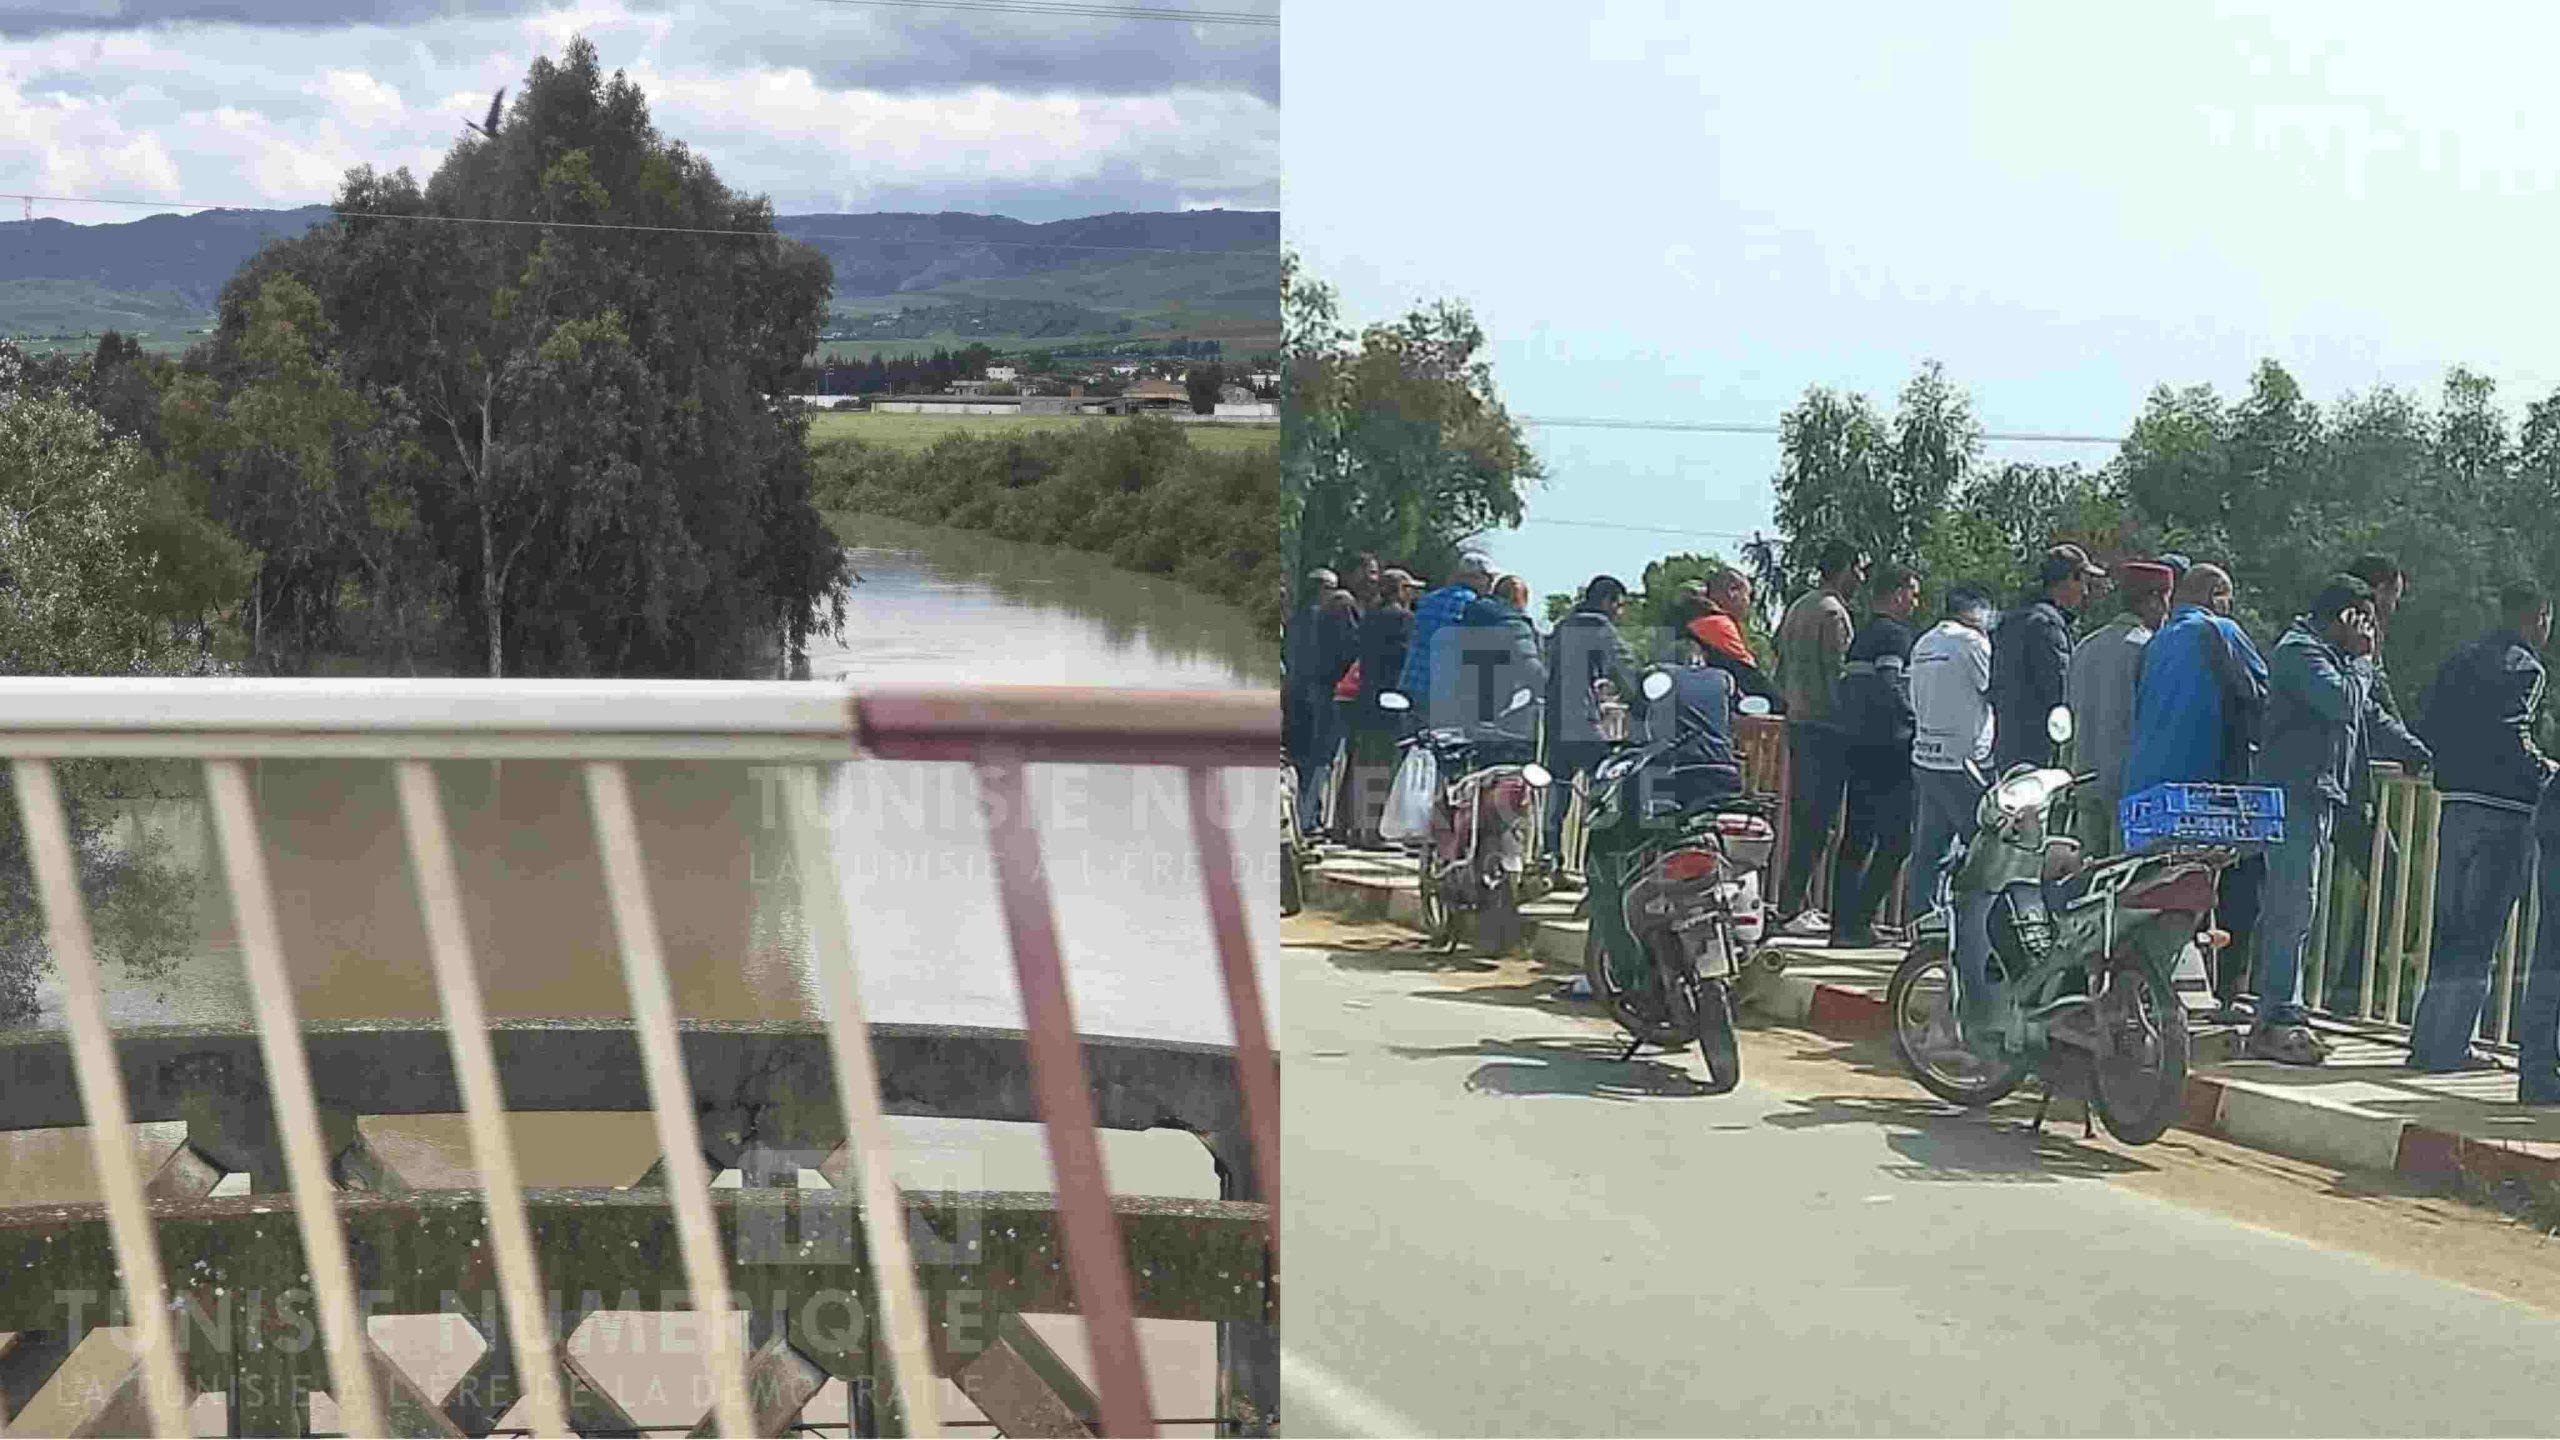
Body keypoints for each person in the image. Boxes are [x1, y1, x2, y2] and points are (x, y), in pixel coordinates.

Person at [2251, 576, 2408, 1065]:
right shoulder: (2300, 652)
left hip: (2314, 794)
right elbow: (2342, 703)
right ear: (2344, 616)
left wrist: (2419, 751)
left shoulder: (2330, 658)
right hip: (2293, 793)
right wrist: (2363, 659)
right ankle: (2278, 1017)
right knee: (2292, 905)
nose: (2373, 630)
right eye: (2366, 620)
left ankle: (2282, 1008)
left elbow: (2366, 716)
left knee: (2299, 906)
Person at [2409, 583, 2557, 1073]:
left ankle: (2426, 1041)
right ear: (2538, 617)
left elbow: (2429, 719)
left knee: (2449, 930)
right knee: (2480, 935)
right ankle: (2452, 1048)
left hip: (2456, 802)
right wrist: (2545, 771)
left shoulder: (2462, 659)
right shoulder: (2526, 668)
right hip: (2505, 810)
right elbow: (2513, 732)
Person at [2125, 563, 2268, 1021]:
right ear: (2215, 595)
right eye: (2227, 598)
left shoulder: (2157, 642)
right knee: (2241, 880)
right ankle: (2229, 992)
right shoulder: (2219, 632)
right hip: (2202, 790)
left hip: (2146, 792)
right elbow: (2263, 695)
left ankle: (2153, 990)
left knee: (2153, 892)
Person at [2325, 552, 2430, 1006]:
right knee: (2388, 872)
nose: (2395, 607)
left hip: (2340, 780)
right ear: (2379, 590)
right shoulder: (2352, 639)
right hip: (2336, 781)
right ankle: (2345, 989)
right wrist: (2410, 747)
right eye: (2395, 596)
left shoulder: (2341, 634)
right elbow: (2369, 707)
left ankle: (2338, 986)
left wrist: (2408, 743)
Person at [1771, 541, 1868, 934]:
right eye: (1858, 569)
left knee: (1804, 820)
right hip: (1827, 728)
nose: (1861, 578)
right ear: (1844, 568)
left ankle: (1793, 904)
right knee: (1819, 824)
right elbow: (1839, 675)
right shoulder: (1834, 613)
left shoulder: (1799, 607)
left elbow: (1780, 667)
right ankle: (1792, 908)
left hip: (1798, 722)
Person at [1826, 563, 1923, 948]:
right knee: (1898, 840)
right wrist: (1915, 720)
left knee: (1856, 838)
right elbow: (1890, 680)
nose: (1915, 602)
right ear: (1898, 594)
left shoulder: (1863, 636)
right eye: (1913, 593)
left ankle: (1842, 927)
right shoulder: (1894, 635)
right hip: (1891, 748)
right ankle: (1860, 920)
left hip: (1856, 745)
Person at [2064, 561, 2176, 857]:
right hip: (2131, 788)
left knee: (2087, 877)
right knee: (2126, 876)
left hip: (2085, 779)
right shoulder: (2151, 648)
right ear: (2154, 599)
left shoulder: (2085, 647)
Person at [1543, 575, 1644, 863]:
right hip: (1582, 718)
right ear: (1606, 602)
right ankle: (1600, 859)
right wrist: (1642, 702)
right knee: (1609, 781)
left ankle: (1550, 856)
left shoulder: (1563, 626)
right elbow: (1623, 670)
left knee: (1559, 788)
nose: (1619, 612)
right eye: (1618, 605)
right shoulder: (1599, 628)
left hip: (1554, 718)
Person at [1908, 585, 1996, 897]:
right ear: (1975, 611)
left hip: (1926, 757)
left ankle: (1923, 919)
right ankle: (1977, 920)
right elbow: (1993, 689)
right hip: (1966, 762)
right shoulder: (1972, 642)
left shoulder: (1924, 641)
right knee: (1985, 850)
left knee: (1929, 854)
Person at [1990, 543, 2106, 774]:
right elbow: (2062, 692)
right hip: (2039, 752)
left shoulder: (2011, 620)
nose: (2085, 592)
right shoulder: (2047, 626)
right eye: (2083, 582)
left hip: (2008, 747)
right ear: (2069, 580)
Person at [1339, 569, 1418, 847]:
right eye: (1408, 588)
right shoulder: (1404, 619)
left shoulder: (1370, 617)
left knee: (1362, 763)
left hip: (1366, 698)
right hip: (1390, 701)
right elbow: (1405, 660)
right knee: (1382, 766)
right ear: (1400, 590)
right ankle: (1371, 832)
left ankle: (1354, 828)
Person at [1284, 569, 1355, 836]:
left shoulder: (1296, 619)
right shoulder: (1325, 617)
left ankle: (1299, 814)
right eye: (1332, 588)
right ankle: (1308, 817)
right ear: (1322, 589)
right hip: (1322, 692)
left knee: (1301, 757)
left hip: (1296, 692)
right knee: (1321, 757)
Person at [1398, 551, 1494, 721]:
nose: (1491, 584)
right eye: (1489, 578)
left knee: (1412, 734)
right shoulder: (1475, 606)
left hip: (1413, 682)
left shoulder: (1428, 600)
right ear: (1477, 578)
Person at [1680, 568, 1785, 711]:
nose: (1749, 603)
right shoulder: (1717, 624)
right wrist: (1783, 706)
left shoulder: (1694, 620)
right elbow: (1749, 678)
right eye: (1749, 595)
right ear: (1732, 591)